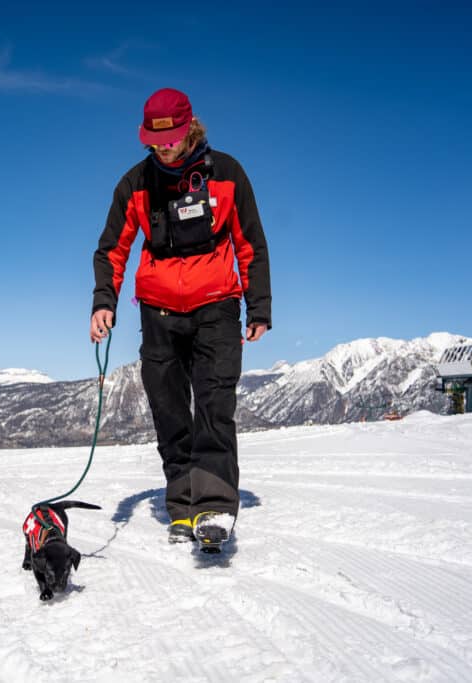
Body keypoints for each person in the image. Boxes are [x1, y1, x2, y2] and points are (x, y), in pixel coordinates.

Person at [90, 87, 271, 550]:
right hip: (159, 312)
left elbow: (250, 241)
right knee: (169, 410)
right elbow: (113, 247)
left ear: (190, 128)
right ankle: (182, 503)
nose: (163, 147)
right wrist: (103, 301)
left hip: (217, 306)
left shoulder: (227, 174)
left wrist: (259, 304)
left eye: (170, 138)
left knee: (214, 404)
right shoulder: (135, 184)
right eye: (154, 140)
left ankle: (214, 505)